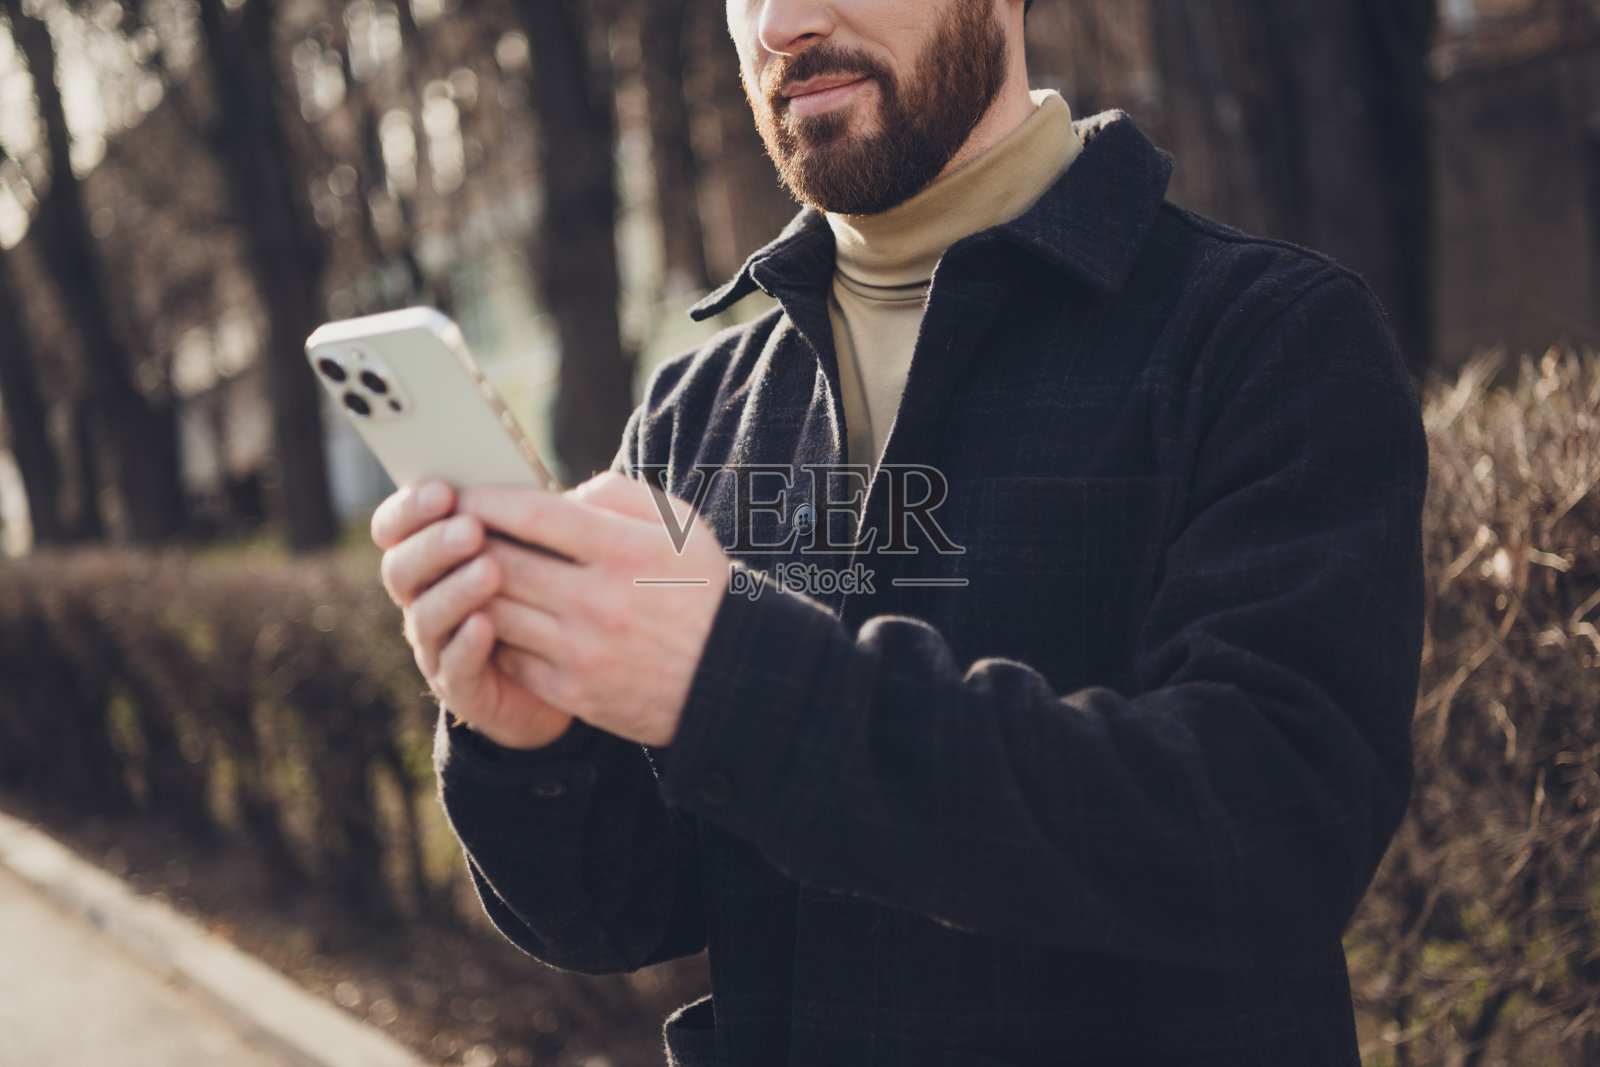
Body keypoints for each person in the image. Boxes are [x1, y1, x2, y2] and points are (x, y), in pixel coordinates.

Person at [370, 0, 1428, 1062]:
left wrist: (735, 676)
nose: (781, 23)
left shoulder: (1266, 334)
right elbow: (631, 914)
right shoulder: (695, 407)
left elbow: (1276, 832)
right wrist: (530, 743)